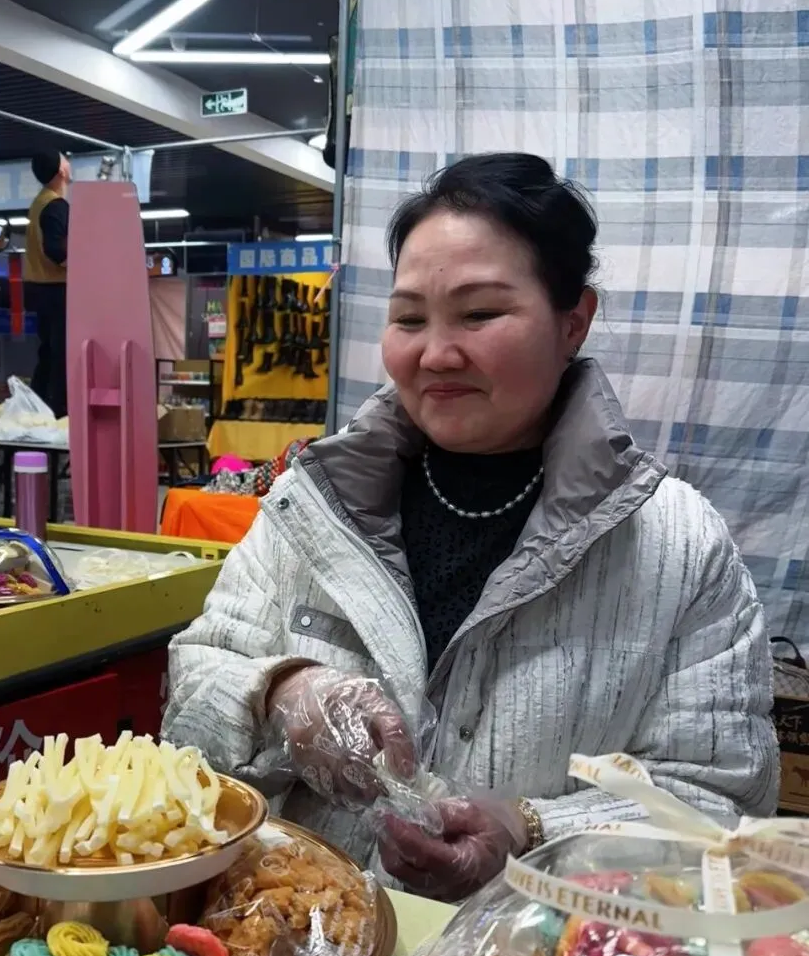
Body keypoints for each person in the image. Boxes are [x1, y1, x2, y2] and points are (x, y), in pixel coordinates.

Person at [163, 153, 778, 900]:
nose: (436, 353)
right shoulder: (313, 507)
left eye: (480, 314)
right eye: (408, 318)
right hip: (294, 937)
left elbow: (719, 802)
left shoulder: (676, 546)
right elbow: (192, 687)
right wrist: (282, 692)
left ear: (573, 321)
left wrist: (531, 830)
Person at [25, 148, 71, 417]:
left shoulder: (38, 203)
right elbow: (58, 251)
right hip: (56, 289)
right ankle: (57, 413)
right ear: (61, 170)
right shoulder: (55, 205)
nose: (69, 162)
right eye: (66, 159)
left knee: (48, 352)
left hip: (38, 287)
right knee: (61, 354)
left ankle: (39, 407)